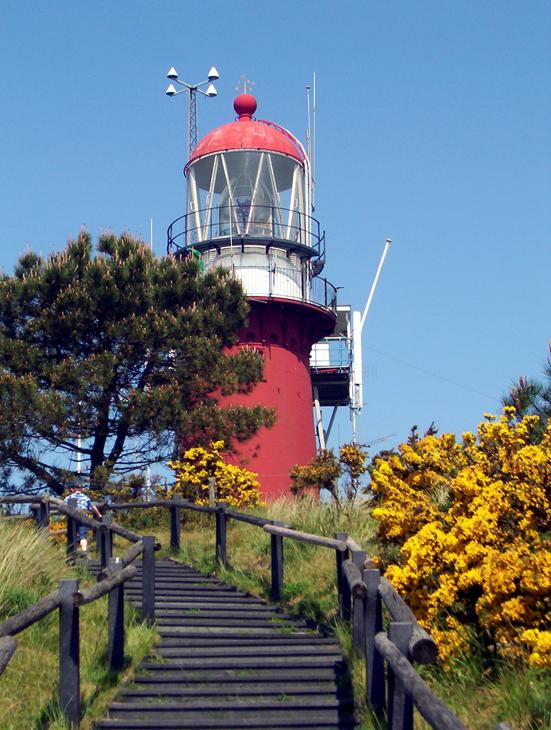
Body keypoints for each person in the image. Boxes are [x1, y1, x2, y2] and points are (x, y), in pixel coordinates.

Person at [64, 482, 102, 555]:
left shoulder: (69, 498)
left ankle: (71, 554)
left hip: (72, 518)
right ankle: (84, 551)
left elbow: (64, 507)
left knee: (72, 535)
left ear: (72, 489)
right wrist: (99, 514)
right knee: (83, 535)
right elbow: (92, 506)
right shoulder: (86, 497)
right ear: (81, 489)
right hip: (83, 517)